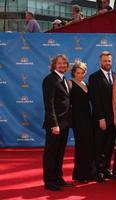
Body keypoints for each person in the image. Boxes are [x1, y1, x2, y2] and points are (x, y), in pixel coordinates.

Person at [42, 54, 73, 191]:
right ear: (54, 65)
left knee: (60, 154)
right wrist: (54, 124)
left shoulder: (64, 79)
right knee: (51, 154)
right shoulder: (49, 80)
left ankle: (58, 178)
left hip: (65, 123)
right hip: (55, 124)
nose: (62, 66)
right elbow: (49, 104)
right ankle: (49, 182)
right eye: (59, 63)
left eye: (64, 64)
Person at [88, 51, 116, 183]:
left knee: (110, 146)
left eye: (109, 61)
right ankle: (98, 171)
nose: (107, 63)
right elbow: (95, 100)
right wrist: (101, 118)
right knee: (99, 146)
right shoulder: (94, 77)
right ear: (100, 62)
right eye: (105, 61)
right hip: (102, 119)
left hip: (114, 119)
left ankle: (106, 169)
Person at [68, 61, 95, 184]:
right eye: (77, 73)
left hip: (88, 118)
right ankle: (79, 175)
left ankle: (89, 173)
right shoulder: (70, 83)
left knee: (89, 146)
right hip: (77, 119)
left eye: (82, 73)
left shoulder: (86, 84)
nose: (80, 75)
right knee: (81, 147)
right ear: (73, 73)